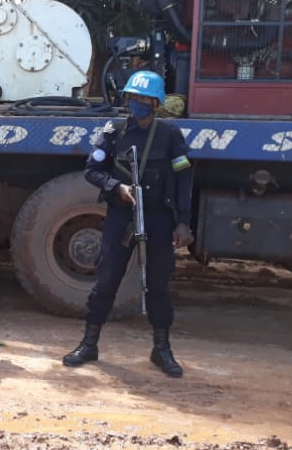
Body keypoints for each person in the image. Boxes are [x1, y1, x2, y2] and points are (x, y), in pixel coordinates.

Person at [62, 69, 194, 377]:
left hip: (159, 218)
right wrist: (114, 187)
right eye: (133, 98)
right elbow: (92, 170)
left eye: (145, 99)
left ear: (156, 103)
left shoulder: (170, 135)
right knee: (106, 279)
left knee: (158, 285)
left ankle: (161, 349)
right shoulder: (115, 131)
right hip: (122, 217)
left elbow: (184, 178)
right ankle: (89, 343)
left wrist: (184, 222)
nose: (138, 104)